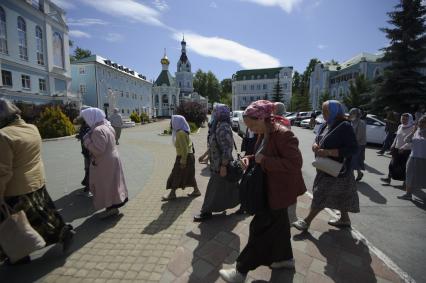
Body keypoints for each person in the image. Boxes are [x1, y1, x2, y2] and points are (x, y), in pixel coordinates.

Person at [219, 100, 306, 283]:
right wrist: (249, 159)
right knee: (280, 228)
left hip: (277, 192)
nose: (250, 128)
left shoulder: (284, 135)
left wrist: (263, 160)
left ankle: (240, 272)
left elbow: (295, 164)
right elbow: (259, 155)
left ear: (264, 118)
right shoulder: (264, 132)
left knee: (258, 230)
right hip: (269, 190)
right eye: (248, 125)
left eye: (252, 124)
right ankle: (285, 260)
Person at [0, 98, 74, 264]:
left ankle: (19, 253)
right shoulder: (32, 128)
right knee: (44, 214)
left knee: (21, 222)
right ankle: (63, 232)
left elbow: (2, 171)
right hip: (37, 180)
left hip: (16, 189)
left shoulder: (3, 135)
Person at [292, 100, 359, 231]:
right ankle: (345, 219)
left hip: (338, 170)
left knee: (320, 194)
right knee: (342, 196)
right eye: (323, 110)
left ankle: (306, 221)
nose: (323, 113)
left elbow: (353, 149)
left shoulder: (345, 126)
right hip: (324, 167)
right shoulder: (325, 125)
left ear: (335, 111)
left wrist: (328, 152)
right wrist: (315, 146)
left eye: (326, 111)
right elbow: (317, 139)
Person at [194, 104, 240, 222]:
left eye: (215, 111)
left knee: (213, 189)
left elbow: (227, 148)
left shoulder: (223, 127)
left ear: (220, 113)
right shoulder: (217, 125)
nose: (213, 113)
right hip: (216, 164)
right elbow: (213, 145)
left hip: (221, 166)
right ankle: (243, 203)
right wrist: (204, 156)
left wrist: (224, 166)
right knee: (230, 187)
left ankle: (206, 211)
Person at [81, 107, 128, 218]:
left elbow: (98, 150)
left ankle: (111, 208)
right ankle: (114, 206)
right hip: (112, 158)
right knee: (113, 183)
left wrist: (87, 141)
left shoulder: (98, 130)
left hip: (105, 162)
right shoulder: (107, 126)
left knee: (106, 185)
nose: (86, 121)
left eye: (87, 118)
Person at [162, 115, 201, 201]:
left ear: (177, 122)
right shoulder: (183, 131)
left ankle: (172, 194)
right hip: (188, 156)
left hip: (184, 157)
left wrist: (183, 161)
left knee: (176, 174)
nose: (171, 124)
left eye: (172, 122)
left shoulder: (180, 133)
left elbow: (184, 148)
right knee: (189, 174)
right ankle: (196, 190)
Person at [380, 113, 414, 185]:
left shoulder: (413, 128)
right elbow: (396, 137)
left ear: (410, 119)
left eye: (405, 119)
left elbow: (412, 141)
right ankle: (388, 178)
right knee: (392, 164)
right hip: (396, 148)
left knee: (404, 166)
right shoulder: (400, 126)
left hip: (407, 150)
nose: (403, 120)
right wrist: (393, 145)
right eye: (402, 119)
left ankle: (405, 182)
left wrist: (404, 147)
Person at [398, 115, 426, 200]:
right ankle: (408, 194)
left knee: (423, 177)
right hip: (413, 156)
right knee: (409, 175)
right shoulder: (416, 131)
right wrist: (413, 131)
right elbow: (406, 140)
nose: (420, 123)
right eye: (420, 122)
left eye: (423, 122)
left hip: (423, 158)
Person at [75, 112, 92, 196]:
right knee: (87, 168)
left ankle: (89, 186)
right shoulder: (84, 125)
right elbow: (84, 135)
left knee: (89, 169)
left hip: (89, 151)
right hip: (85, 151)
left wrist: (81, 136)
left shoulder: (89, 125)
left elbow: (88, 136)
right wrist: (79, 136)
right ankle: (87, 183)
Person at [349, 108, 367, 181]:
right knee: (353, 160)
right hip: (353, 143)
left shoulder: (361, 122)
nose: (351, 115)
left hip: (359, 144)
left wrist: (353, 142)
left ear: (356, 114)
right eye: (350, 113)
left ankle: (351, 177)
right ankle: (359, 173)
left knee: (355, 160)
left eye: (352, 113)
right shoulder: (352, 121)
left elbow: (359, 136)